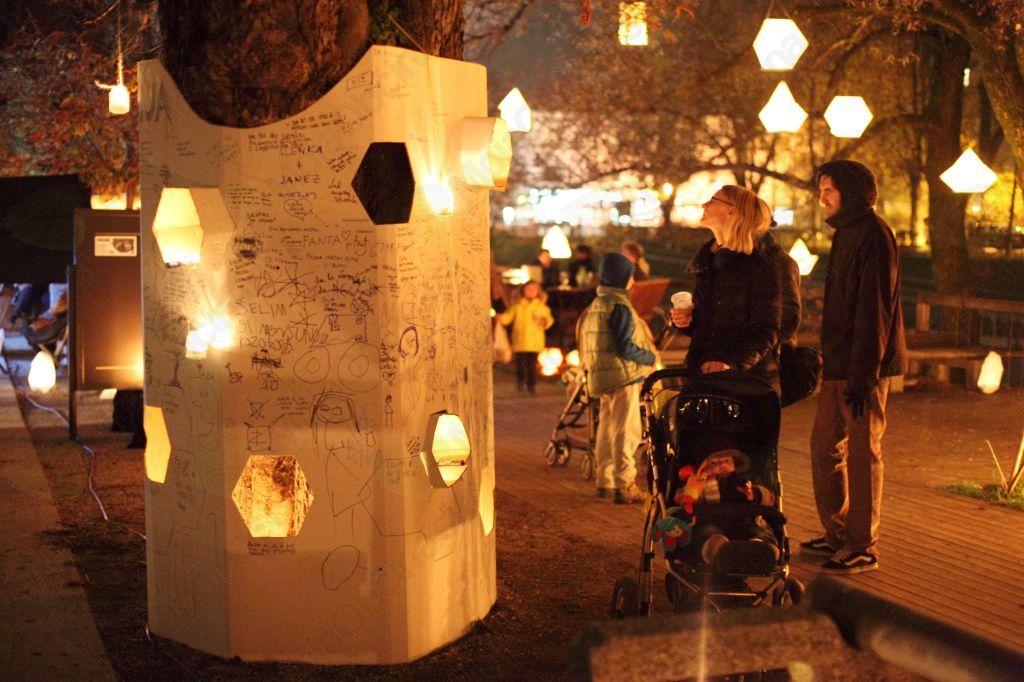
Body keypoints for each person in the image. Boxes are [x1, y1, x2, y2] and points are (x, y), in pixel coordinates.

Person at [802, 160, 907, 575]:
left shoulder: (875, 235)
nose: (822, 198)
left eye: (828, 190)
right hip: (839, 362)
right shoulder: (847, 233)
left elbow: (875, 308)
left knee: (863, 454)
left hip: (863, 367)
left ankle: (862, 545)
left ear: (850, 191)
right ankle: (838, 532)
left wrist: (864, 375)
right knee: (823, 447)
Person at [669, 185, 782, 394]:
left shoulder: (760, 266)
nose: (704, 205)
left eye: (713, 200)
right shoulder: (709, 262)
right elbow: (709, 325)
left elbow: (767, 328)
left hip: (743, 385)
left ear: (732, 211)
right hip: (701, 376)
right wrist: (687, 320)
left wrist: (731, 362)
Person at [578, 252, 658, 504]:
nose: (633, 281)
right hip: (623, 376)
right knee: (626, 430)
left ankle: (605, 480)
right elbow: (625, 347)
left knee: (606, 428)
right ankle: (624, 484)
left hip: (603, 376)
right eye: (630, 276)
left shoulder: (597, 304)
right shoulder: (619, 306)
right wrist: (649, 357)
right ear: (622, 278)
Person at [499, 280, 553, 395]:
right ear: (523, 291)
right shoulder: (517, 306)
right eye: (528, 289)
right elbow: (508, 317)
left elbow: (549, 320)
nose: (531, 291)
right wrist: (500, 318)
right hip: (520, 341)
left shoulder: (541, 307)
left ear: (538, 291)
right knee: (520, 365)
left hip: (534, 342)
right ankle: (520, 384)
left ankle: (531, 386)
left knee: (532, 366)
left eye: (534, 289)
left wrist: (543, 321)